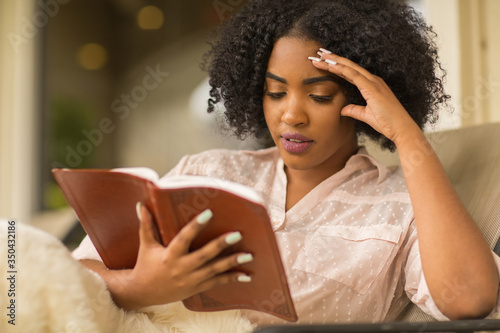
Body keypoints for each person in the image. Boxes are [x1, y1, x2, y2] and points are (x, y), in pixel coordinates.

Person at [73, 0, 500, 328]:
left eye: (318, 95)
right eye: (275, 93)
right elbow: (76, 271)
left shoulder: (403, 209)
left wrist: (407, 137)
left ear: (360, 97)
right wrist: (139, 287)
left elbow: (470, 299)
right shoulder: (206, 171)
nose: (291, 115)